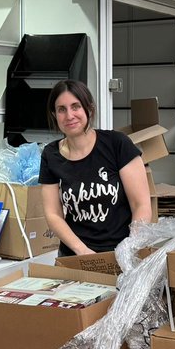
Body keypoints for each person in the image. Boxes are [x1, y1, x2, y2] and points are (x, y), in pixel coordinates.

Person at [39, 80, 151, 257]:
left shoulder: (116, 144)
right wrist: (82, 251)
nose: (69, 115)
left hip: (121, 253)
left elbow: (141, 204)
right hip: (75, 256)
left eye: (75, 107)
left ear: (89, 109)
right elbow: (53, 213)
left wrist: (130, 248)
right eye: (62, 109)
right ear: (54, 115)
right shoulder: (50, 154)